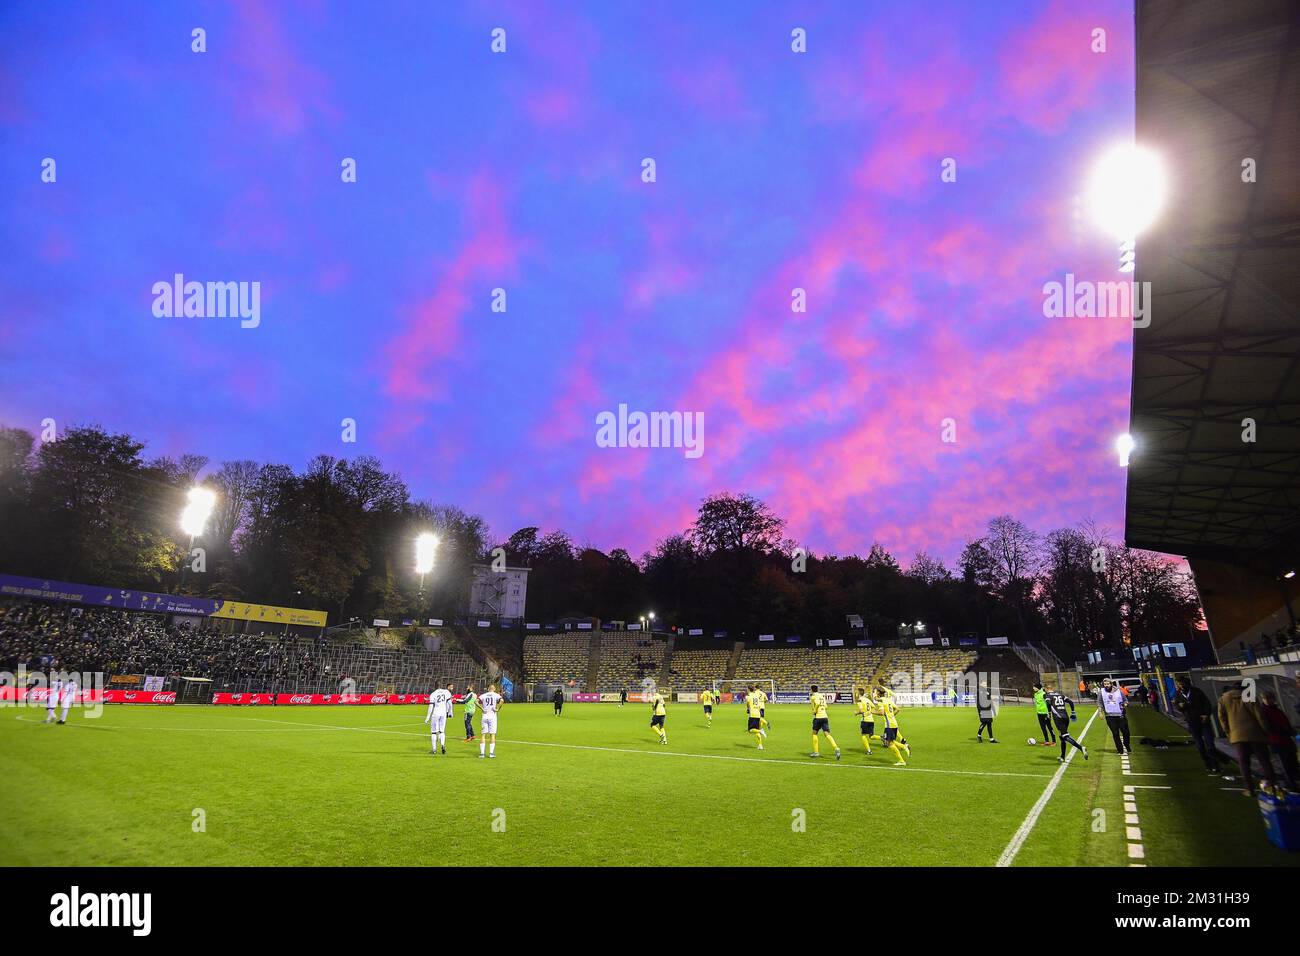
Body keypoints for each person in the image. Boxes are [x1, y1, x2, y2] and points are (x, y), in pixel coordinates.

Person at [1216, 680, 1276, 796]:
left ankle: (1249, 789)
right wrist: (1266, 732)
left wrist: (1229, 733)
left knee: (1244, 764)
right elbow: (1260, 716)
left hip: (1238, 736)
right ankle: (1272, 786)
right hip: (1256, 734)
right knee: (1265, 762)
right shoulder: (1249, 696)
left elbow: (1222, 718)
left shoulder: (1224, 698)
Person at [1174, 677, 1222, 773]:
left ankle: (1216, 765)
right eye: (1179, 684)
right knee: (1200, 746)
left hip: (1202, 721)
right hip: (1192, 722)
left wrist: (1206, 715)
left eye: (1181, 683)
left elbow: (1207, 704)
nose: (1180, 685)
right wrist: (1180, 707)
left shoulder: (1197, 692)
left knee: (1210, 744)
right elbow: (1177, 706)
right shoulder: (1178, 694)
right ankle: (1208, 764)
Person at [1260, 691, 1298, 792]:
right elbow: (1268, 727)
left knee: (1292, 761)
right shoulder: (1264, 711)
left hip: (1285, 739)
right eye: (1266, 698)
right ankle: (1291, 784)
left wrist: (1290, 731)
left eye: (1269, 698)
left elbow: (1285, 722)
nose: (1268, 700)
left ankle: (1294, 781)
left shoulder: (1277, 711)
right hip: (1276, 741)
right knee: (1285, 763)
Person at [1045, 687, 1088, 763]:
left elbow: (1048, 703)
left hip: (1058, 718)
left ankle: (1081, 748)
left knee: (1065, 736)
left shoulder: (1047, 695)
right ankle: (1062, 757)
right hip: (1066, 717)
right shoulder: (1060, 695)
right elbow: (1071, 702)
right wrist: (1073, 712)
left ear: (1046, 689)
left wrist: (1049, 713)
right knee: (1062, 737)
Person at [1097, 678, 1130, 755]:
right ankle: (1120, 750)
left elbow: (1125, 700)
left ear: (1111, 684)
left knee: (1125, 732)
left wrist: (1125, 704)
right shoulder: (1101, 692)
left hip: (1121, 715)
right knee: (1115, 733)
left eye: (1108, 684)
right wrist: (1100, 712)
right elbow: (1099, 703)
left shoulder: (1118, 691)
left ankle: (1127, 745)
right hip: (1109, 716)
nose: (1106, 686)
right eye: (1105, 684)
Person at [808, 684, 841, 760]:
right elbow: (826, 706)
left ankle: (816, 752)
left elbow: (818, 704)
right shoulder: (821, 695)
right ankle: (836, 748)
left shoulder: (813, 696)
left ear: (812, 690)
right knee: (827, 734)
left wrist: (814, 710)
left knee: (814, 733)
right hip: (825, 716)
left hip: (818, 717)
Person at [424, 682, 453, 755]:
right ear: (441, 686)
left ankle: (434, 750)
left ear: (435, 686)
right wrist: (450, 712)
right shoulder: (446, 692)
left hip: (436, 713)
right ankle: (442, 745)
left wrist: (427, 717)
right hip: (443, 714)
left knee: (434, 732)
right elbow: (450, 704)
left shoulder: (433, 694)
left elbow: (431, 707)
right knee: (442, 731)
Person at [478, 684, 502, 759]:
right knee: (492, 734)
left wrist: (482, 708)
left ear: (488, 689)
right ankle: (491, 753)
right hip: (492, 716)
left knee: (483, 735)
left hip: (484, 716)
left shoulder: (483, 695)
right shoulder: (496, 695)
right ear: (494, 689)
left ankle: (482, 754)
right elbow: (502, 700)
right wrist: (498, 708)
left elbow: (476, 701)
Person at [744, 685, 765, 750]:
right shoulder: (756, 696)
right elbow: (759, 706)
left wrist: (748, 708)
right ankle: (760, 745)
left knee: (750, 730)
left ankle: (761, 731)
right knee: (756, 732)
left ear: (748, 689)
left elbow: (747, 704)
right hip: (758, 714)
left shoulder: (748, 696)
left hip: (752, 714)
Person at [855, 687, 875, 754]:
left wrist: (857, 713)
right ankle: (882, 738)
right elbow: (874, 707)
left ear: (859, 693)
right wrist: (869, 711)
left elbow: (861, 710)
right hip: (871, 720)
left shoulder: (859, 700)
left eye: (856, 692)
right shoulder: (867, 700)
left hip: (865, 720)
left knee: (863, 735)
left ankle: (869, 751)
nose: (856, 694)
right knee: (871, 736)